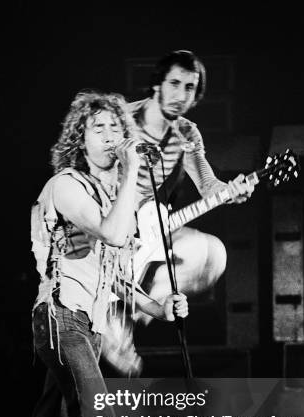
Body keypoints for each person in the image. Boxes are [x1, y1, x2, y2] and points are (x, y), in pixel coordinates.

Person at [0, 90, 188, 417]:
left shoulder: (109, 197)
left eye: (116, 128)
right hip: (62, 320)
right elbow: (115, 234)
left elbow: (115, 276)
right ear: (80, 140)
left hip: (88, 329)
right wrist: (134, 168)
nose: (109, 137)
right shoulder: (67, 186)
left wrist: (160, 308)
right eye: (97, 129)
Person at [102, 50, 255, 375]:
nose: (180, 95)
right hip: (108, 225)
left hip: (152, 223)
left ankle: (127, 310)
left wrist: (233, 190)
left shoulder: (186, 133)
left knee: (212, 255)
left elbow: (208, 184)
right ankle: (114, 306)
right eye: (174, 83)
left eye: (189, 87)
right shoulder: (121, 120)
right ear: (157, 84)